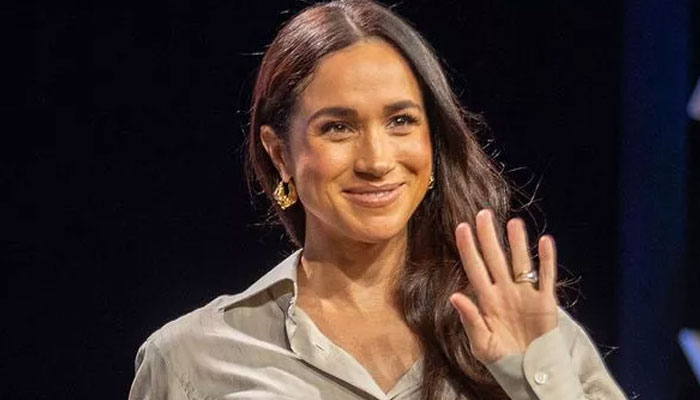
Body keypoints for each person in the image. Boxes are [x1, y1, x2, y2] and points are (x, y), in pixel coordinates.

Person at [128, 1, 627, 399]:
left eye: (400, 121)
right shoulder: (191, 360)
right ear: (280, 154)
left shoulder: (525, 328)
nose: (376, 159)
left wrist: (534, 374)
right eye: (337, 127)